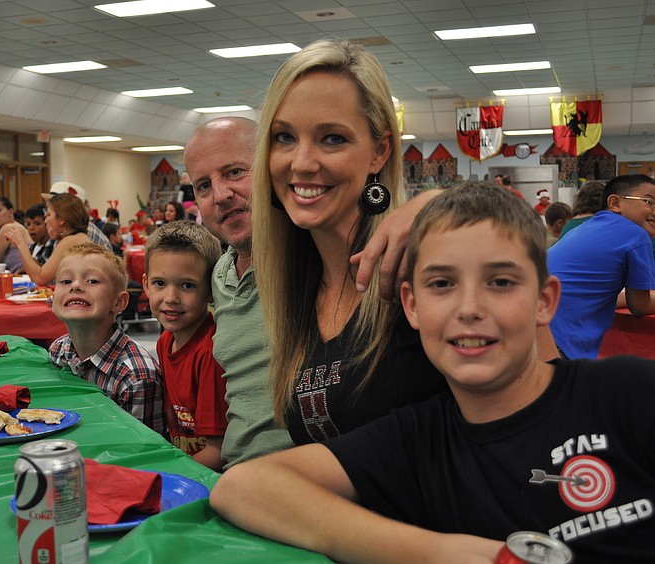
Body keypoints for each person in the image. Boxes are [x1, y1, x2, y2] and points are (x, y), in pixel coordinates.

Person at [211, 183, 655, 562]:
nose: (469, 309)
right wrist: (440, 551)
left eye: (500, 282)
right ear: (412, 306)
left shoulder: (624, 393)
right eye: (442, 284)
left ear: (544, 301)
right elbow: (245, 487)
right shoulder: (417, 442)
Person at [184, 109, 446, 468]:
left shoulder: (311, 251)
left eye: (234, 172)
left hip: (312, 476)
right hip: (235, 474)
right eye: (203, 186)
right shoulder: (220, 274)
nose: (220, 194)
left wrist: (429, 204)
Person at [252, 39, 453, 446]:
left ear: (379, 152)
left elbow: (541, 396)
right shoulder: (295, 288)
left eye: (332, 139)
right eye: (284, 137)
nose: (302, 163)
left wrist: (443, 202)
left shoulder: (418, 265)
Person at [47, 243, 164, 433]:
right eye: (66, 281)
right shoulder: (58, 350)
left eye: (92, 281)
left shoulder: (136, 376)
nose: (75, 286)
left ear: (119, 302)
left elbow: (143, 445)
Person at [143, 221, 227, 471]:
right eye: (160, 283)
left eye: (187, 285)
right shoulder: (165, 341)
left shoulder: (210, 351)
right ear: (145, 285)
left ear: (210, 290)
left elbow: (218, 452)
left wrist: (166, 476)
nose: (171, 298)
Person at [548, 174, 655, 359]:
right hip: (560, 341)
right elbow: (640, 306)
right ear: (615, 203)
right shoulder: (636, 236)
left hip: (538, 327)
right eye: (649, 202)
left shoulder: (582, 229)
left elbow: (596, 292)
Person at [1, 193, 104, 286]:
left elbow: (40, 278)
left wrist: (21, 243)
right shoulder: (76, 238)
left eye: (49, 215)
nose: (46, 221)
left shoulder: (71, 241)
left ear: (62, 219)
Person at [24, 203, 54, 268]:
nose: (31, 228)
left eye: (37, 224)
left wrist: (21, 245)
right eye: (28, 224)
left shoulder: (53, 246)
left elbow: (43, 270)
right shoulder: (32, 247)